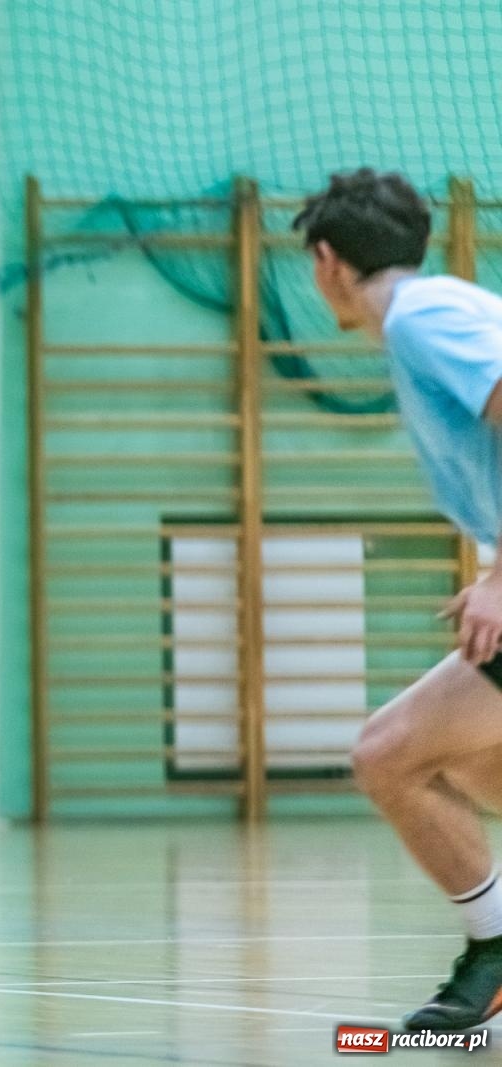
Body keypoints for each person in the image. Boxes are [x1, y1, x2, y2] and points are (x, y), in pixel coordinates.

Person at [298, 167, 502, 1032]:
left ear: (326, 261)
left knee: (387, 752)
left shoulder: (423, 319)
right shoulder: (428, 320)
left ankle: (495, 951)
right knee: (462, 761)